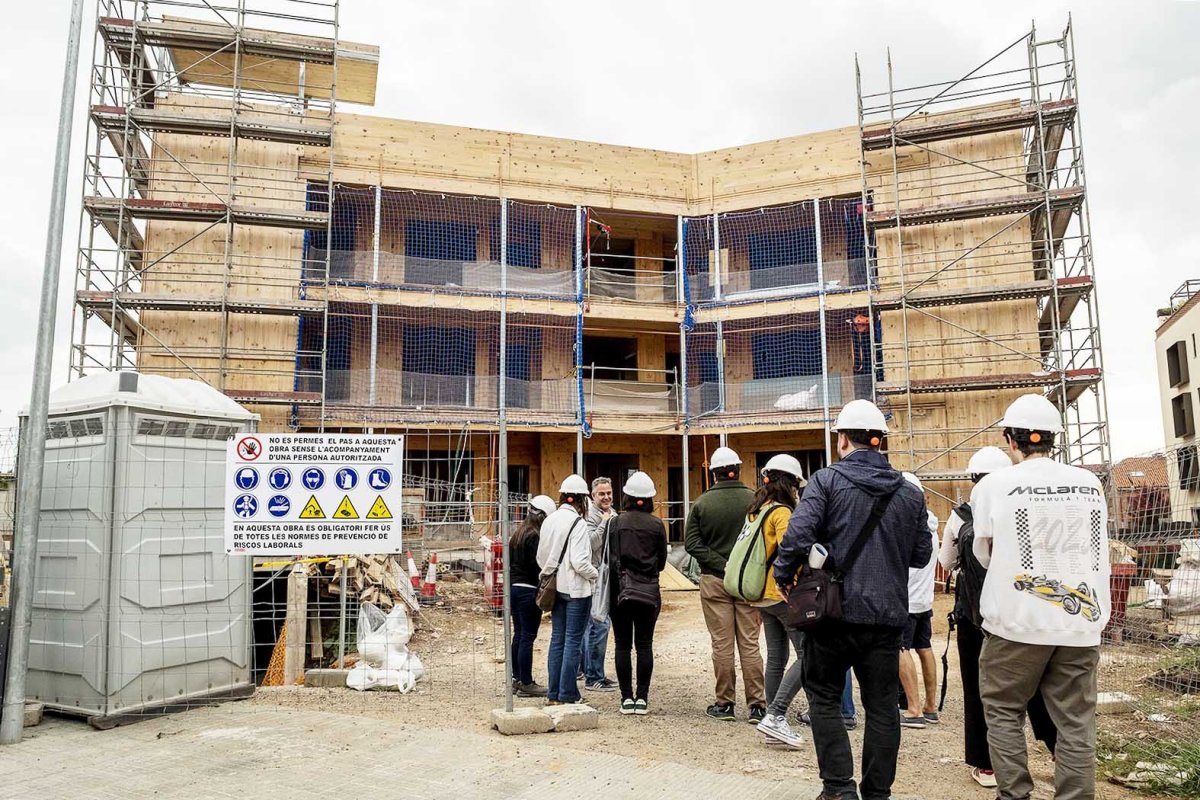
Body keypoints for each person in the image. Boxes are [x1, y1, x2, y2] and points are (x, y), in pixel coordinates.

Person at [774, 399, 932, 800]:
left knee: (824, 696)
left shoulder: (826, 481)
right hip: (887, 616)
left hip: (832, 613)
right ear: (880, 442)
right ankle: (877, 794)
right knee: (881, 706)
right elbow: (920, 555)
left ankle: (839, 790)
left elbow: (796, 536)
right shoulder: (910, 493)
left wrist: (782, 574)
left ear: (842, 439)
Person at [973, 394, 1109, 800]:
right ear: (1055, 439)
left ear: (1009, 439)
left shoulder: (996, 485)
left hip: (1016, 623)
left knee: (1002, 710)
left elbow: (984, 552)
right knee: (1075, 722)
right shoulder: (1089, 484)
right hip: (1080, 623)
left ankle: (1014, 795)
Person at [940, 446, 1059, 790]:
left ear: (973, 477)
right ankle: (1055, 747)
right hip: (1020, 609)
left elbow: (946, 562)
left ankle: (986, 765)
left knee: (979, 687)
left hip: (974, 616)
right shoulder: (1022, 506)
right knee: (1034, 680)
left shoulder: (960, 515)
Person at [685, 445, 767, 723]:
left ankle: (725, 704)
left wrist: (722, 565)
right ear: (739, 469)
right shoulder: (755, 500)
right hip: (748, 582)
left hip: (714, 581)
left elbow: (692, 543)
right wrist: (740, 566)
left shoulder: (701, 504)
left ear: (713, 474)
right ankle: (757, 705)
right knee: (750, 643)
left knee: (722, 644)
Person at [745, 454, 808, 747]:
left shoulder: (756, 510)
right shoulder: (783, 512)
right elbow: (791, 550)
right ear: (790, 483)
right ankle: (777, 715)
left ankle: (772, 721)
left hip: (762, 596)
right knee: (808, 655)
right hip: (782, 594)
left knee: (777, 657)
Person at [605, 471, 668, 715]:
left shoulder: (615, 522)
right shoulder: (656, 525)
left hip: (620, 591)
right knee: (644, 645)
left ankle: (626, 698)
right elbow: (662, 562)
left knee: (622, 645)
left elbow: (610, 558)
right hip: (649, 592)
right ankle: (642, 698)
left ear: (626, 496)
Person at [537, 474, 598, 705]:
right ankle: (568, 694)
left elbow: (541, 557)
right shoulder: (578, 524)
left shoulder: (549, 520)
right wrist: (596, 575)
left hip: (555, 589)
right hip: (576, 591)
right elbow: (580, 562)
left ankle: (554, 694)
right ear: (582, 500)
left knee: (558, 640)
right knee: (573, 641)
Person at [898, 472, 940, 729]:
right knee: (924, 648)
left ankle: (913, 709)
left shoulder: (909, 528)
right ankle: (931, 706)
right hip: (925, 599)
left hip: (907, 599)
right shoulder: (932, 525)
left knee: (900, 650)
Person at [509, 495, 558, 697]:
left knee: (519, 634)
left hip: (513, 589)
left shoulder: (518, 534)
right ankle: (527, 683)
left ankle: (517, 678)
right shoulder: (535, 537)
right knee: (528, 637)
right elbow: (540, 565)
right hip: (529, 590)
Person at [581, 476, 618, 692]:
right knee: (599, 624)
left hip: (607, 575)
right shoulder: (590, 517)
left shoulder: (613, 513)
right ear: (592, 496)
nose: (606, 497)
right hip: (594, 576)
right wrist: (604, 524)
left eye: (608, 493)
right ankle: (594, 676)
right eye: (601, 494)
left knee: (590, 626)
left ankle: (587, 670)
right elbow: (591, 543)